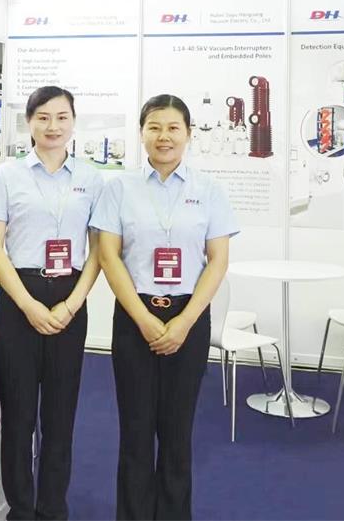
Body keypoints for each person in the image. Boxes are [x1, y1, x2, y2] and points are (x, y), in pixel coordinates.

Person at [91, 94, 239, 521]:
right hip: (134, 316)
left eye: (173, 127)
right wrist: (143, 318)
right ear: (141, 133)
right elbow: (109, 256)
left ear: (189, 134)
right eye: (154, 127)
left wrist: (184, 323)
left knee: (177, 433)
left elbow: (218, 261)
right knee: (135, 432)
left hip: (187, 319)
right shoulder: (119, 189)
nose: (164, 136)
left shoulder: (209, 191)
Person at [0, 86, 103, 521]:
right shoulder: (7, 175)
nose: (53, 126)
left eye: (62, 117)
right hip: (20, 297)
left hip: (70, 296)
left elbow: (99, 250)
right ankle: (21, 509)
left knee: (60, 415)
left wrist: (71, 305)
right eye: (43, 117)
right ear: (29, 122)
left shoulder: (91, 178)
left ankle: (53, 508)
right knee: (18, 414)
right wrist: (29, 305)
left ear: (73, 122)